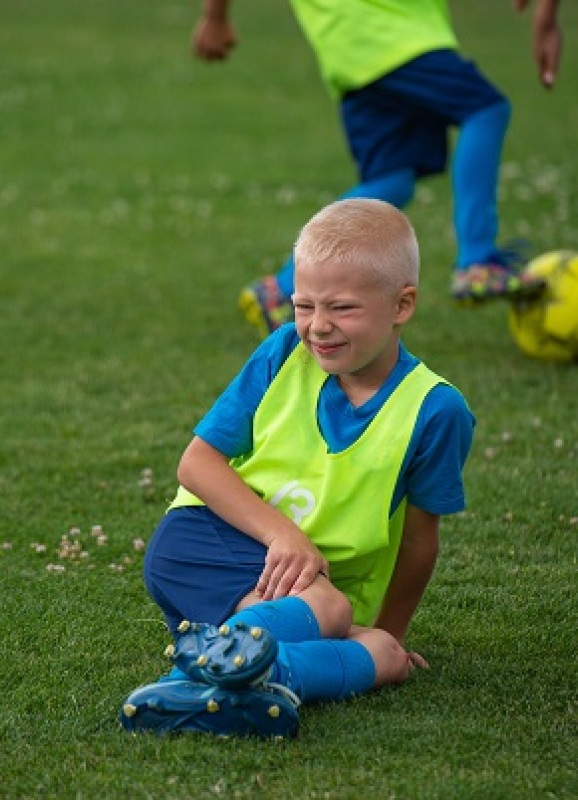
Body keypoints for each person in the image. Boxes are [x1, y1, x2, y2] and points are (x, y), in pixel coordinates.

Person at [120, 200, 475, 738]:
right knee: (330, 610)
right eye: (303, 306)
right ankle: (216, 671)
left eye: (343, 308)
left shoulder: (436, 411)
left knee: (383, 656)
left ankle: (231, 677)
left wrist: (392, 631)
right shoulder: (283, 353)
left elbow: (420, 540)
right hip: (206, 539)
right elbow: (196, 464)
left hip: (295, 591)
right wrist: (285, 535)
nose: (318, 327)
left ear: (402, 305)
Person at [191, 0, 563, 338]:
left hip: (350, 48)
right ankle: (477, 260)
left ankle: (281, 289)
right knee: (485, 109)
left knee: (392, 179)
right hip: (391, 36)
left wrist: (216, 17)